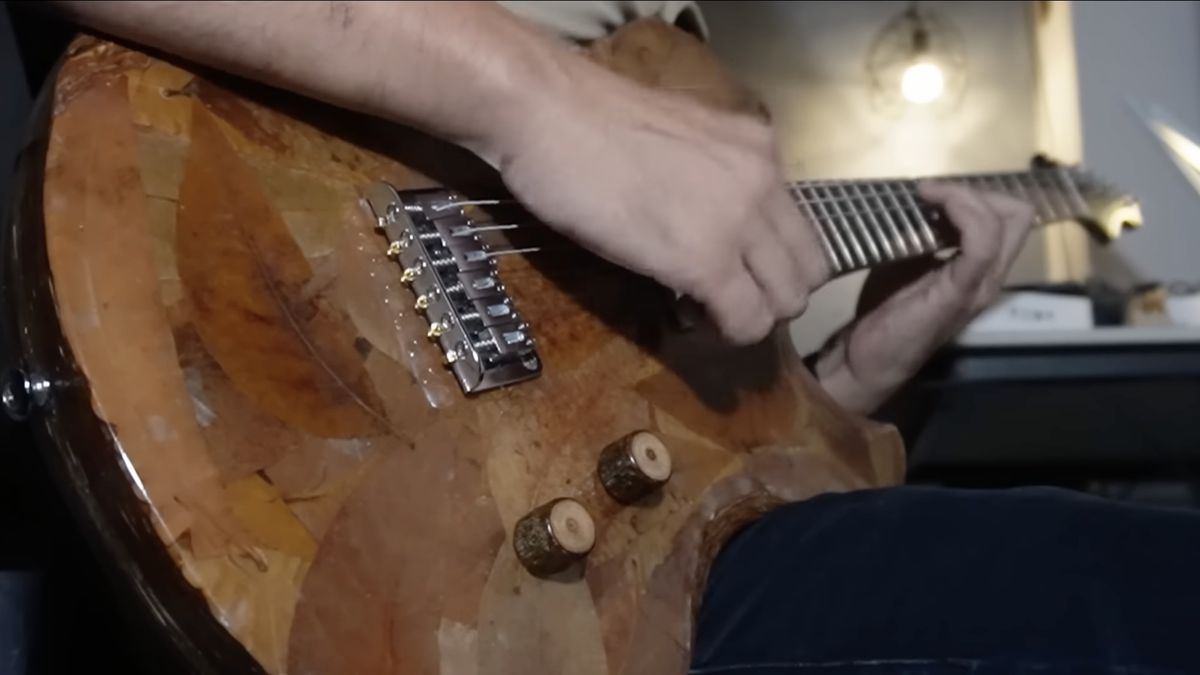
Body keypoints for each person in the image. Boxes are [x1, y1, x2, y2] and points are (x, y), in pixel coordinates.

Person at [28, 3, 1200, 674]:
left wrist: (859, 377)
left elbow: (682, 447)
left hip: (614, 581)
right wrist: (535, 96)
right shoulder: (574, 67)